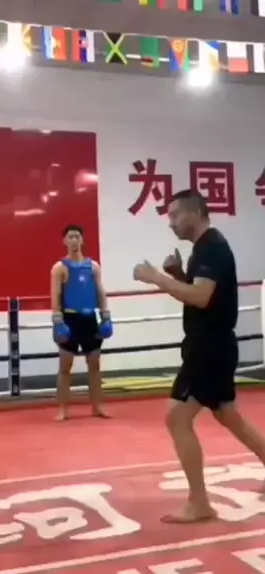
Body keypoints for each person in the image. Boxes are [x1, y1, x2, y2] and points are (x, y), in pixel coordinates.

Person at [133, 188, 265, 523]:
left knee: (177, 418)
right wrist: (179, 276)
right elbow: (205, 294)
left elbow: (201, 297)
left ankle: (199, 502)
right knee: (228, 415)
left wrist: (157, 278)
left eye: (175, 215)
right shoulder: (205, 248)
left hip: (209, 348)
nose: (171, 222)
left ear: (195, 212)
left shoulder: (212, 248)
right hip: (214, 345)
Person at [50, 224, 113, 422]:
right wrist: (57, 320)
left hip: (89, 319)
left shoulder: (93, 267)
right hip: (69, 319)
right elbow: (55, 295)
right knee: (65, 366)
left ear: (82, 240)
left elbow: (100, 291)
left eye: (77, 236)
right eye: (70, 237)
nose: (74, 240)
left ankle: (97, 406)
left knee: (94, 365)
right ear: (64, 241)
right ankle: (62, 409)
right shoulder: (59, 268)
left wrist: (105, 315)